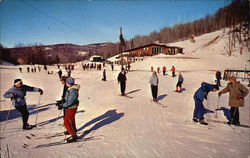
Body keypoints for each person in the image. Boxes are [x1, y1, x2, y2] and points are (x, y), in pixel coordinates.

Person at [56, 77, 80, 143]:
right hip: (70, 107)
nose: (65, 83)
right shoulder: (70, 89)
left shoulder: (73, 91)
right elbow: (67, 98)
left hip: (71, 107)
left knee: (66, 122)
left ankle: (73, 136)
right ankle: (73, 131)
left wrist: (63, 105)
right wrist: (62, 102)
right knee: (71, 120)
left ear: (69, 83)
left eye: (66, 82)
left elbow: (70, 101)